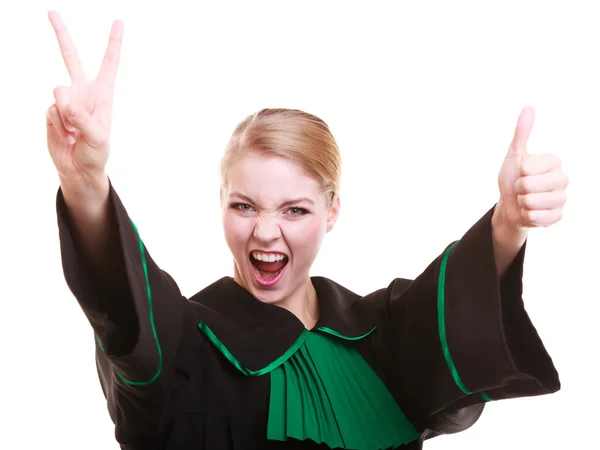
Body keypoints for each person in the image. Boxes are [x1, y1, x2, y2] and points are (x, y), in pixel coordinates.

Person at [46, 10, 568, 450]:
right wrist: (85, 181)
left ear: (332, 210)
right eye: (244, 205)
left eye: (294, 210)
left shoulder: (382, 337)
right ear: (220, 205)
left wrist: (509, 221)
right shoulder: (186, 345)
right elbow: (122, 305)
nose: (266, 233)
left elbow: (460, 310)